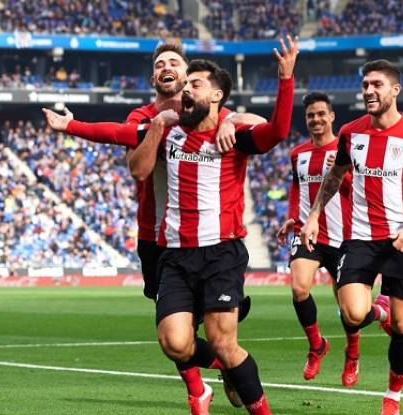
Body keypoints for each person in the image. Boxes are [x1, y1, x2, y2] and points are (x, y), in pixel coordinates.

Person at [123, 35, 299, 415]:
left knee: (221, 338)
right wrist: (156, 126)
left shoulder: (221, 120)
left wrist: (235, 115)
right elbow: (135, 166)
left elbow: (268, 129)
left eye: (178, 66)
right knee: (175, 340)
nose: (169, 70)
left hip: (217, 245)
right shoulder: (147, 120)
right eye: (159, 65)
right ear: (154, 78)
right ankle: (214, 377)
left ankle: (214, 381)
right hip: (160, 238)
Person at [301, 59, 403, 415]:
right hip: (361, 238)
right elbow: (336, 175)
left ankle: (393, 395)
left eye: (377, 84)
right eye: (365, 85)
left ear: (395, 89)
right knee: (352, 314)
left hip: (402, 238)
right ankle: (379, 311)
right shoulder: (350, 132)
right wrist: (314, 214)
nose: (368, 91)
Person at [275, 91, 361, 386]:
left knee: (349, 308)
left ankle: (352, 353)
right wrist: (291, 216)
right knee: (299, 288)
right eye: (311, 115)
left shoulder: (345, 151)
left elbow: (358, 190)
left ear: (332, 116)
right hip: (308, 232)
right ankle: (317, 345)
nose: (316, 119)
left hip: (342, 236)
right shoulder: (297, 154)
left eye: (321, 113)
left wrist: (341, 173)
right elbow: (296, 187)